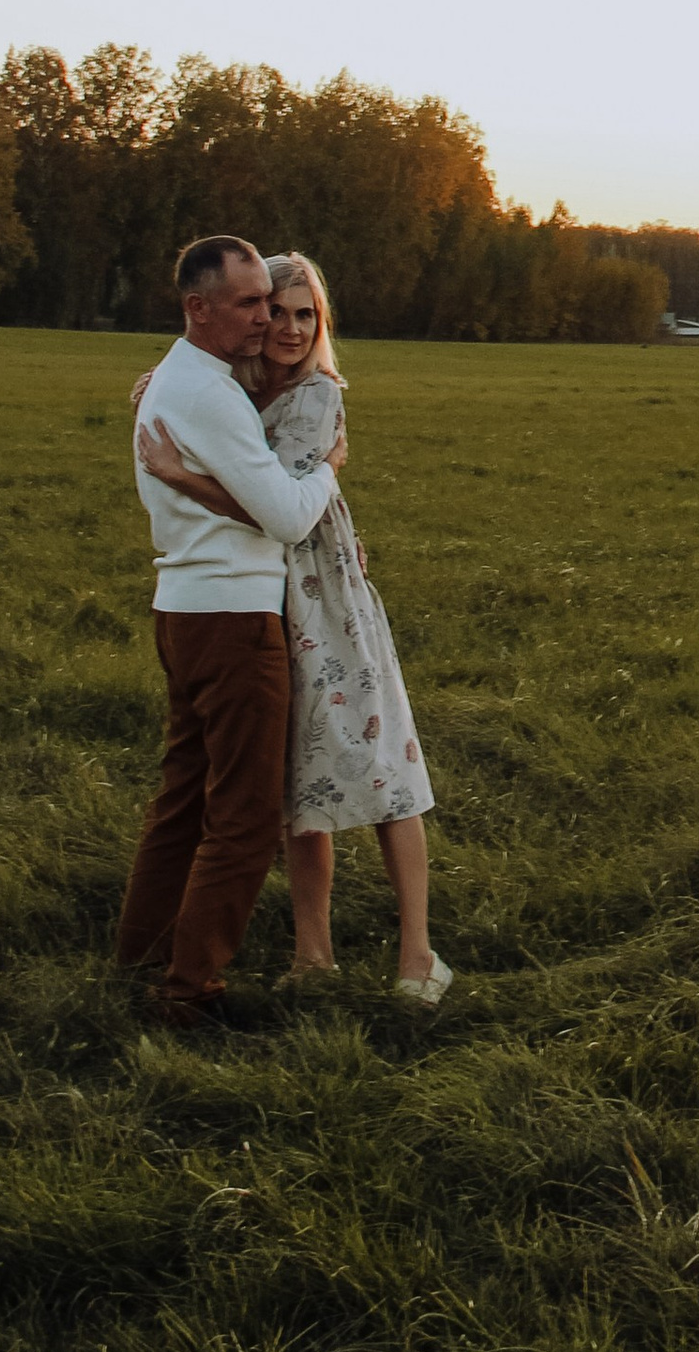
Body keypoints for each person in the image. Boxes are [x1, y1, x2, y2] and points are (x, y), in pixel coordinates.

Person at [137, 248, 452, 1004]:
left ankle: (418, 956)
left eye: (305, 314)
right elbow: (265, 482)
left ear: (322, 325)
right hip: (275, 597)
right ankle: (314, 953)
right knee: (299, 780)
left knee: (382, 764)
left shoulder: (315, 399)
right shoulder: (240, 388)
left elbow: (283, 514)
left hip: (326, 594)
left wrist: (184, 479)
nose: (286, 326)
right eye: (274, 310)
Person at [115, 234, 342, 1030]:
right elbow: (283, 516)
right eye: (248, 303)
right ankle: (190, 991)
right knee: (242, 817)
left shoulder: (182, 378)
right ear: (197, 307)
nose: (262, 317)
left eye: (269, 302)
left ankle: (139, 955)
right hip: (233, 616)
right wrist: (325, 469)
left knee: (182, 799)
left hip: (183, 610)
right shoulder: (209, 394)